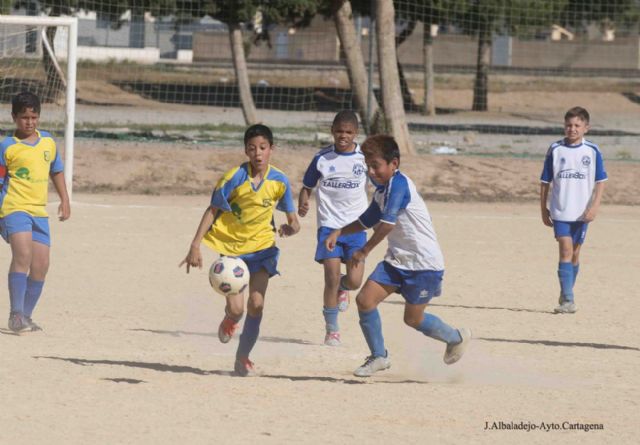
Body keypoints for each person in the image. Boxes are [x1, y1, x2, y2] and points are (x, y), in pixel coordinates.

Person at [325, 135, 471, 377]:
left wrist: (364, 251)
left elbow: (387, 224)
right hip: (397, 261)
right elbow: (366, 220)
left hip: (424, 264)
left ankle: (456, 338)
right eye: (367, 167)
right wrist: (339, 231)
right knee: (364, 301)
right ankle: (379, 356)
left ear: (394, 163)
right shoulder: (382, 191)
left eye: (376, 166)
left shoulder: (399, 185)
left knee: (413, 319)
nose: (371, 172)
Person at [180, 124, 300, 376]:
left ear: (271, 149)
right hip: (233, 251)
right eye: (252, 148)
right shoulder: (233, 177)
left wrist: (291, 228)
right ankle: (230, 319)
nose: (258, 153)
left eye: (263, 148)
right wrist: (195, 245)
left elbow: (293, 220)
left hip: (263, 250)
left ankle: (243, 357)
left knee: (257, 304)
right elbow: (213, 209)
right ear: (246, 151)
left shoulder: (279, 180)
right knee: (237, 309)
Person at [0, 91, 71, 333]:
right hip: (13, 208)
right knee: (23, 256)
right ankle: (15, 314)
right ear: (14, 117)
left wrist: (65, 199)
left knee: (41, 264)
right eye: (24, 117)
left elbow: (56, 170)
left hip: (39, 212)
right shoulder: (7, 146)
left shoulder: (48, 143)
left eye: (33, 117)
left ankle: (26, 317)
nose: (29, 122)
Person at [298, 110, 368, 346]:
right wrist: (303, 199)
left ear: (356, 133)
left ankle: (344, 288)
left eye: (348, 132)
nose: (343, 136)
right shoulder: (321, 158)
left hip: (356, 228)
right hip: (328, 227)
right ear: (332, 131)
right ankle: (332, 329)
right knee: (331, 277)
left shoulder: (364, 158)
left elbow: (380, 182)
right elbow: (307, 185)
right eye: (339, 131)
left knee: (356, 280)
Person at [540, 106, 607, 314]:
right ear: (564, 126)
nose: (572, 129)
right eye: (569, 125)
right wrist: (543, 208)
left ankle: (566, 290)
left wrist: (594, 207)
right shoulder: (555, 149)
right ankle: (568, 300)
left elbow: (601, 181)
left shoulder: (592, 151)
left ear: (586, 128)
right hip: (561, 211)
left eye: (577, 125)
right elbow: (545, 181)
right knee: (566, 249)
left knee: (575, 255)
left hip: (582, 213)